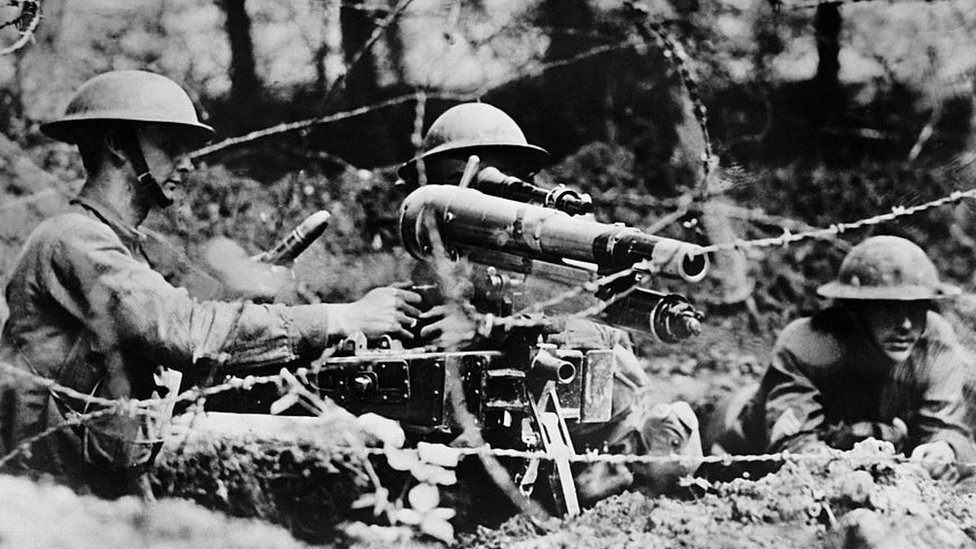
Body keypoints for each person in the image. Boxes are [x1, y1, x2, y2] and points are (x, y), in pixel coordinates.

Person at [0, 70, 422, 499]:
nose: (187, 164)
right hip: (44, 493)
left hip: (91, 483)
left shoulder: (122, 247)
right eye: (170, 146)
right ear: (116, 144)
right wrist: (342, 317)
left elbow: (172, 340)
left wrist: (244, 297)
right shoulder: (74, 239)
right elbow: (186, 334)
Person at [397, 102, 703, 503]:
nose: (473, 200)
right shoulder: (433, 266)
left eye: (495, 181)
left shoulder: (554, 253)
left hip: (583, 453)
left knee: (670, 447)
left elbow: (601, 336)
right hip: (469, 457)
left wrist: (491, 328)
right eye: (456, 183)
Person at [706, 235, 976, 481]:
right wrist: (848, 470)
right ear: (856, 309)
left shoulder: (935, 345)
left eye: (917, 308)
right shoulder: (808, 343)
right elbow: (791, 445)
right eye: (889, 308)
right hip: (752, 457)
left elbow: (948, 427)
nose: (906, 325)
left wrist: (944, 449)